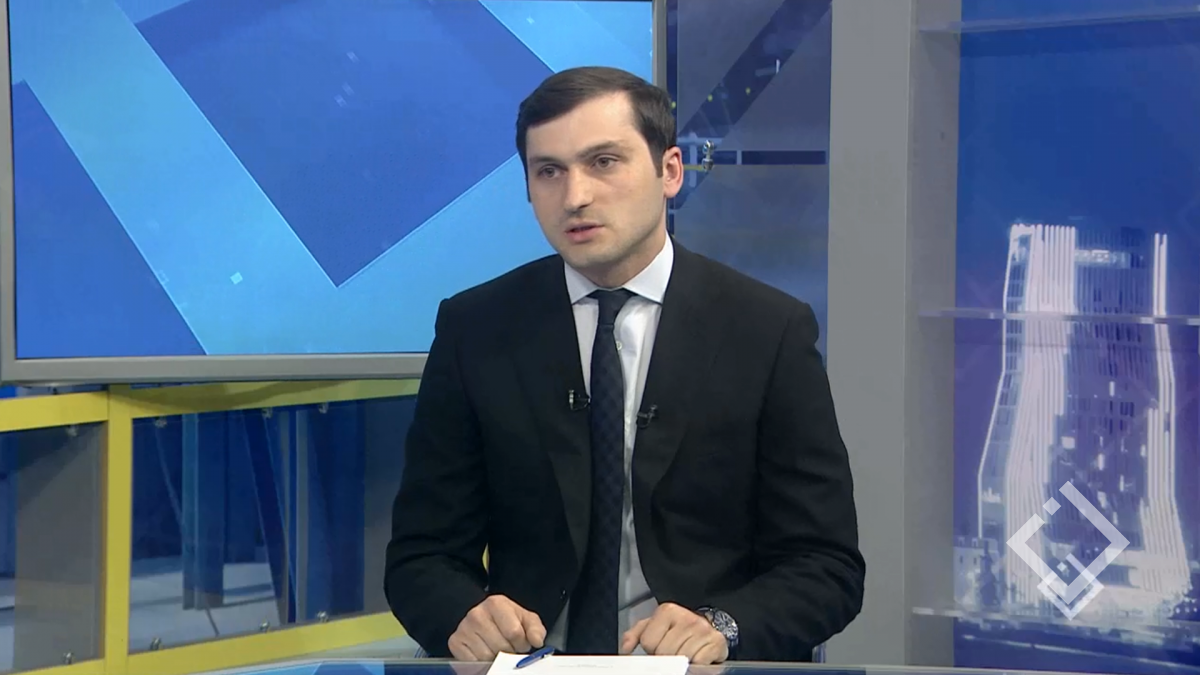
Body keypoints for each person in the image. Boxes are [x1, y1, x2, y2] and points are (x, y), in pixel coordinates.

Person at [384, 66, 864, 665]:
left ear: (670, 171)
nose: (575, 196)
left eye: (604, 162)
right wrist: (463, 614)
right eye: (549, 171)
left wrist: (722, 627)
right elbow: (421, 557)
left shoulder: (766, 329)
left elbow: (826, 566)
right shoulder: (476, 328)